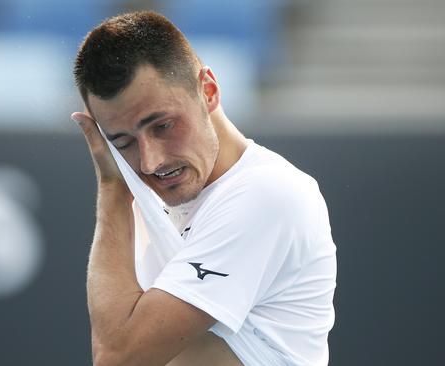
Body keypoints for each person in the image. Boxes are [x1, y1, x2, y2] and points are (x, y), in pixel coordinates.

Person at [71, 11, 337, 366]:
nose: (150, 162)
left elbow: (118, 358)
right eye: (122, 142)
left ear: (208, 90)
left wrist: (112, 188)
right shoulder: (148, 200)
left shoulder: (268, 195)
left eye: (163, 126)